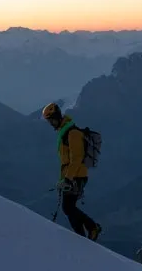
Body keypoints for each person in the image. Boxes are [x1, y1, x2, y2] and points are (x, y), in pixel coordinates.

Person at [42, 102, 102, 241]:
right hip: (72, 176)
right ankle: (82, 237)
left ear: (57, 117)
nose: (51, 124)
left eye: (51, 120)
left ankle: (91, 228)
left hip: (77, 176)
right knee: (69, 208)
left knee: (68, 208)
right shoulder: (66, 132)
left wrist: (68, 178)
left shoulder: (73, 133)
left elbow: (76, 158)